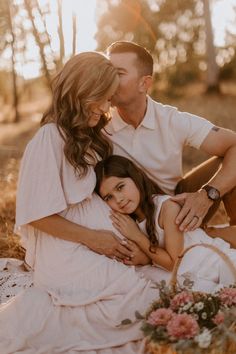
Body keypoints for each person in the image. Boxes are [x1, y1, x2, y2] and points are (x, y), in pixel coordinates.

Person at [0, 52, 165, 354]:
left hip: (94, 245)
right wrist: (95, 239)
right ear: (80, 92)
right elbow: (37, 216)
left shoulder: (88, 138)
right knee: (141, 301)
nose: (105, 108)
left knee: (153, 291)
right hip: (65, 251)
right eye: (100, 98)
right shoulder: (49, 138)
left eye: (108, 99)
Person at [103, 40, 236, 244]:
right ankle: (205, 238)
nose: (108, 81)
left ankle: (208, 237)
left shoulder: (172, 120)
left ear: (144, 83)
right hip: (136, 213)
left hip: (179, 203)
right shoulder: (100, 127)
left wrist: (206, 195)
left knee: (228, 162)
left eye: (119, 74)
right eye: (107, 72)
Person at [95, 155, 236, 288]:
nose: (118, 199)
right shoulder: (131, 222)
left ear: (135, 176)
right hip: (199, 279)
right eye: (109, 197)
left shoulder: (167, 208)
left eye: (120, 187)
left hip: (220, 264)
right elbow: (155, 257)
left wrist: (137, 236)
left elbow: (173, 263)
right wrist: (143, 258)